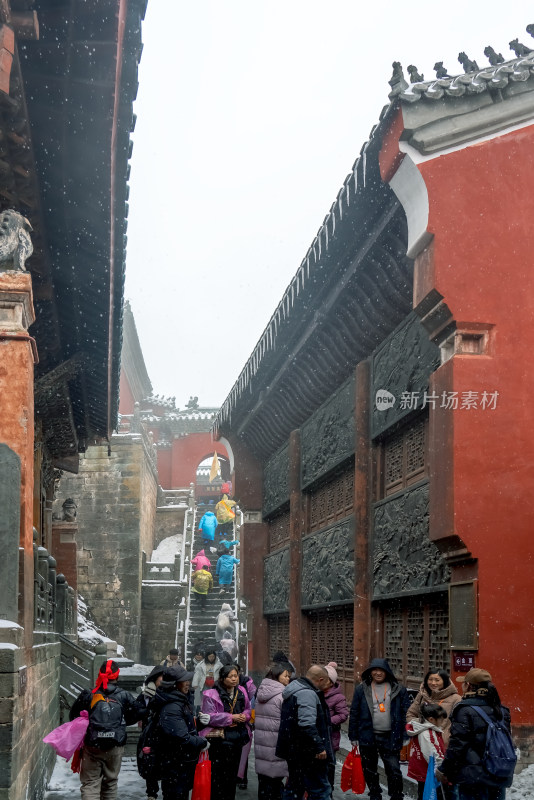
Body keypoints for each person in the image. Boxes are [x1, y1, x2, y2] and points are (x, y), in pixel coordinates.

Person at [437, 668, 514, 800]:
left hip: (473, 778)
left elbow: (458, 746)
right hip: (498, 772)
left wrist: (444, 769)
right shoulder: (501, 710)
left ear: (468, 685)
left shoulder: (464, 710)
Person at [71, 659, 141, 800]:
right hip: (115, 745)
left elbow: (73, 716)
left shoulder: (89, 695)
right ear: (117, 676)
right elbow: (135, 715)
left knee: (90, 784)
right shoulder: (124, 695)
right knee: (110, 783)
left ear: (100, 674)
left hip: (92, 745)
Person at [348, 657, 411, 800]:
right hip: (367, 735)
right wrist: (353, 736)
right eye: (374, 670)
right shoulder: (361, 689)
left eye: (381, 670)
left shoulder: (399, 689)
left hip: (390, 736)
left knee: (394, 769)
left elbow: (405, 712)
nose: (377, 673)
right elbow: (355, 712)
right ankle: (375, 794)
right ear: (370, 672)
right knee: (369, 769)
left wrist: (405, 734)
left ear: (387, 672)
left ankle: (396, 795)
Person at [276, 664, 334, 800]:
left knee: (295, 787)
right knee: (320, 789)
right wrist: (319, 747)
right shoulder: (307, 693)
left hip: (295, 750)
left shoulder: (295, 688)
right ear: (320, 679)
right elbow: (307, 724)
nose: (329, 685)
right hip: (307, 752)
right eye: (327, 681)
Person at [152, 665, 209, 800]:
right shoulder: (171, 706)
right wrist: (202, 742)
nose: (188, 683)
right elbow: (180, 736)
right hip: (174, 764)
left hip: (180, 763)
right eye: (184, 681)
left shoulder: (179, 701)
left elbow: (184, 727)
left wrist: (199, 723)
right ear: (174, 685)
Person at [200, 664, 252, 800]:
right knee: (218, 776)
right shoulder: (211, 694)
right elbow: (209, 716)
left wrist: (244, 716)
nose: (234, 679)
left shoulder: (241, 691)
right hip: (219, 741)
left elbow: (248, 709)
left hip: (237, 738)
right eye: (231, 676)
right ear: (222, 679)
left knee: (232, 775)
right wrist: (231, 717)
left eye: (236, 676)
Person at [254, 663, 291, 800]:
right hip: (277, 745)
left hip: (262, 743)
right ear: (276, 676)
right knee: (275, 784)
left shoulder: (260, 692)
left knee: (264, 783)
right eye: (286, 676)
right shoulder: (283, 696)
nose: (288, 679)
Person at [406, 669, 462, 746]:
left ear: (445, 681)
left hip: (443, 743)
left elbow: (459, 723)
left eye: (437, 680)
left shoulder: (456, 699)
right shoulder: (422, 695)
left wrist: (448, 737)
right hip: (422, 741)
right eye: (430, 679)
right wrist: (421, 726)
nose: (433, 683)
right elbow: (411, 714)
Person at [406, 703, 447, 800]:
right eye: (441, 719)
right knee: (429, 794)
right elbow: (432, 754)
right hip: (428, 770)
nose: (443, 721)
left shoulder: (423, 729)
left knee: (424, 793)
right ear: (431, 719)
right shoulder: (427, 733)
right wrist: (441, 768)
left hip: (422, 770)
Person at [136, 666, 165, 800]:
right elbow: (137, 709)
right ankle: (151, 793)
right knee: (150, 762)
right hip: (149, 734)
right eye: (162, 677)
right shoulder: (146, 694)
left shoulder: (171, 693)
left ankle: (166, 791)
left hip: (165, 733)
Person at [323, 662, 349, 791]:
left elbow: (343, 715)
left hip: (330, 736)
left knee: (329, 766)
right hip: (317, 736)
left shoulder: (338, 697)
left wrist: (326, 721)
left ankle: (329, 791)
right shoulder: (316, 692)